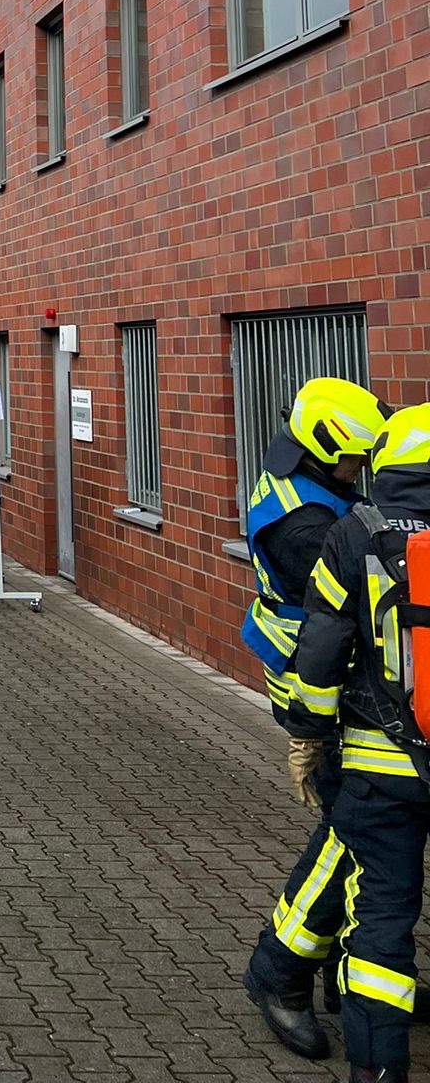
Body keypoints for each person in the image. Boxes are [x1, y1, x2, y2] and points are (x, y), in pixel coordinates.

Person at [283, 403, 430, 1083]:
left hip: (381, 762)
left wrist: (308, 735)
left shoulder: (355, 533)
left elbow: (321, 647)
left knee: (382, 918)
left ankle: (378, 1070)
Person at [243, 378, 386, 1057]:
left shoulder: (302, 482)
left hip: (322, 680)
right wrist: (311, 732)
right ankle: (279, 973)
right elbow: (357, 604)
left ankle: (348, 976)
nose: (360, 470)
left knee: (359, 832)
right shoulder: (307, 529)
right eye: (355, 459)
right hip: (317, 691)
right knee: (352, 832)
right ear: (325, 450)